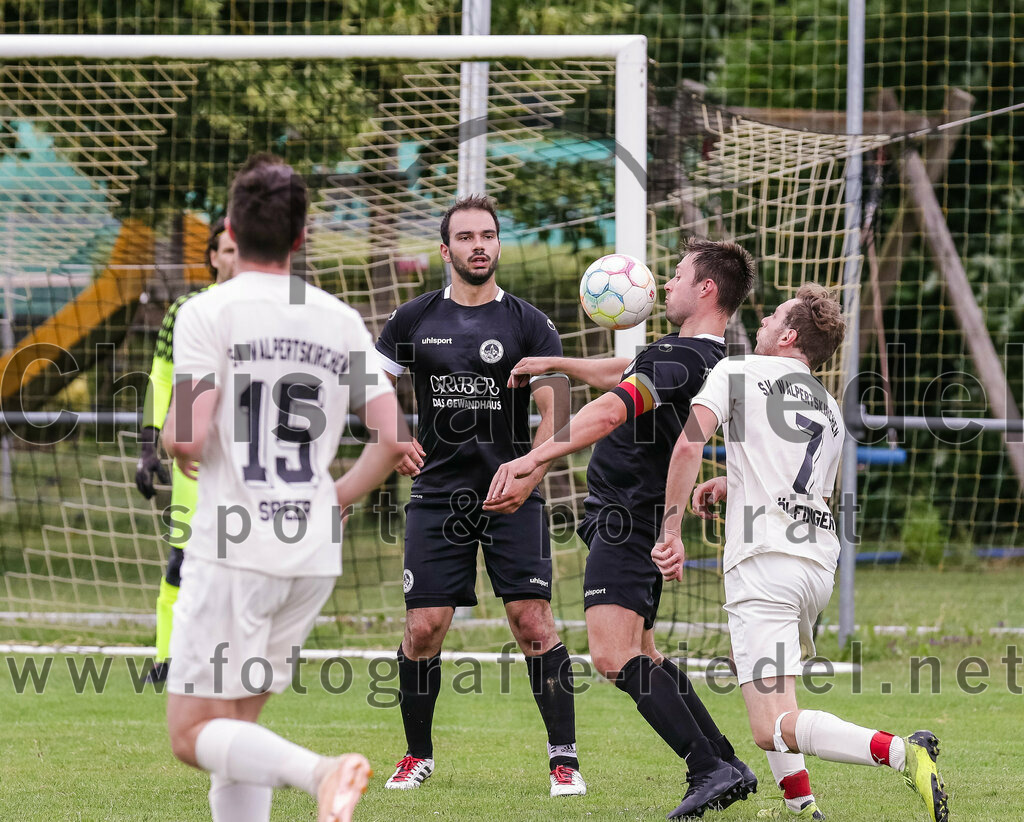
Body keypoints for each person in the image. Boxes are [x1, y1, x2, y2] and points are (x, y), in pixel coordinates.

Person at [162, 153, 408, 822]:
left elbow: (187, 436)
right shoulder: (338, 319)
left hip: (235, 551)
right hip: (309, 553)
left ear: (232, 234)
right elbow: (392, 435)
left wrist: (171, 434)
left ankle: (322, 772)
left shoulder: (208, 311)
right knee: (235, 731)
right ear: (302, 237)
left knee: (190, 735)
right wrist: (336, 497)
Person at [652, 284, 948, 822]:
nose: (761, 320)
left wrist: (669, 530)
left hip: (765, 564)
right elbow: (795, 481)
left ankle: (903, 752)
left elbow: (690, 441)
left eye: (771, 316)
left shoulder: (736, 371)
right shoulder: (830, 408)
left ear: (788, 334)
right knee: (779, 698)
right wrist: (731, 484)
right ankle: (799, 805)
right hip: (814, 564)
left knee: (769, 727)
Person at [486, 238, 760, 819]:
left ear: (706, 288)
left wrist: (534, 459)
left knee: (612, 656)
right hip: (632, 513)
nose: (667, 283)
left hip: (628, 517)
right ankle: (727, 762)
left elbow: (613, 407)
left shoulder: (683, 360)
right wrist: (558, 363)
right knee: (646, 652)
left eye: (679, 274)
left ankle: (704, 769)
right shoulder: (699, 355)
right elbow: (623, 371)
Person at [374, 194, 585, 797]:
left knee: (532, 621)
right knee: (423, 629)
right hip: (437, 496)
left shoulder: (527, 323)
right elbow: (372, 381)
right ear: (446, 251)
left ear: (497, 244)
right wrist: (393, 435)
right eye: (465, 237)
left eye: (488, 235)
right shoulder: (413, 319)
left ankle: (563, 759)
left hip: (511, 494)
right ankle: (417, 755)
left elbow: (558, 407)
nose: (478, 246)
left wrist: (531, 471)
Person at [136, 216, 237, 684]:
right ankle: (166, 657)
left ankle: (234, 661)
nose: (234, 258)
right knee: (185, 558)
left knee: (248, 561)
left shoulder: (273, 312)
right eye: (226, 250)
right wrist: (146, 447)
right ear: (212, 256)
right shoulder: (186, 310)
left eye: (242, 248)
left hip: (253, 464)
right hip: (195, 462)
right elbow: (160, 377)